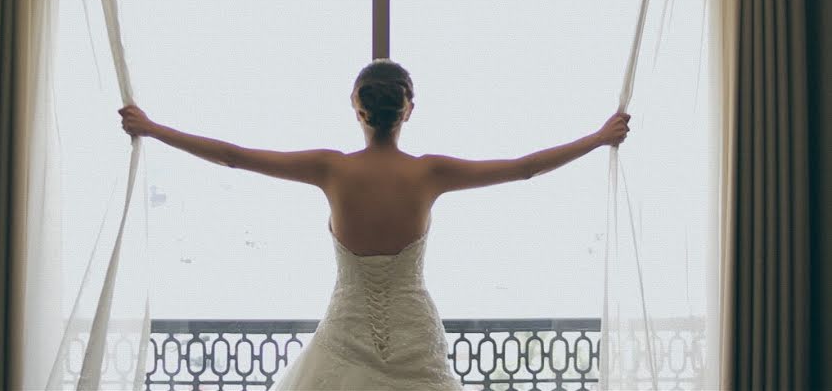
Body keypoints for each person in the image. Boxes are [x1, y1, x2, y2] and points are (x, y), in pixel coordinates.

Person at [118, 58, 630, 390]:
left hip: (347, 335)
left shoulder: (330, 168)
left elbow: (234, 157)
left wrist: (153, 128)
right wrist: (597, 137)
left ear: (357, 109)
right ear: (408, 109)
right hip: (413, 334)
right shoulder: (429, 173)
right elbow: (523, 168)